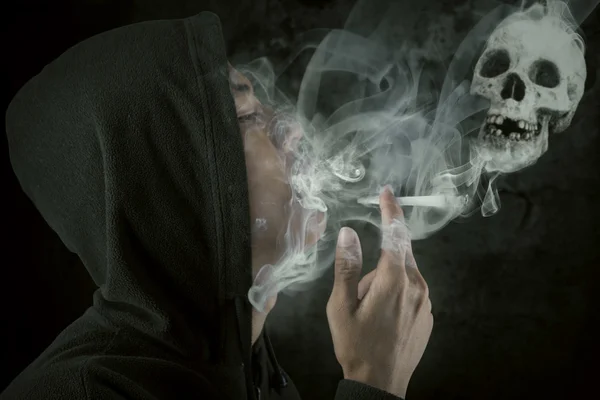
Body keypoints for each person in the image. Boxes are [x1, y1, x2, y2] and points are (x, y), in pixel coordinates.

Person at [2, 11, 433, 400]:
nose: (295, 130)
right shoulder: (84, 393)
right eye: (246, 116)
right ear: (170, 183)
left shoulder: (254, 373)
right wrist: (375, 380)